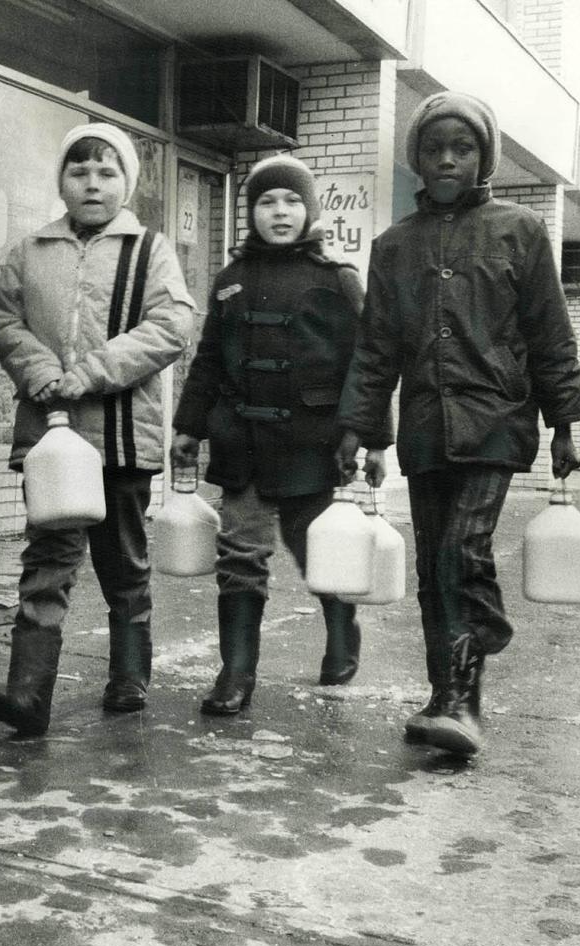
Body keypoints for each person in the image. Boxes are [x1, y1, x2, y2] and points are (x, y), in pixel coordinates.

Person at [336, 91, 580, 757]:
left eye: (463, 147)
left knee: (461, 550)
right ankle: (450, 699)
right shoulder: (393, 247)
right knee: (430, 568)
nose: (448, 157)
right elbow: (376, 346)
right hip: (424, 426)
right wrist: (362, 430)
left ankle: (476, 662)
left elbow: (550, 334)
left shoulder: (520, 231)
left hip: (497, 420)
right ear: (415, 158)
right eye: (434, 146)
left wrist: (564, 421)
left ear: (483, 159)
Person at [0, 122, 196, 737]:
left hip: (122, 435)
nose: (92, 184)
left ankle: (129, 677)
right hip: (52, 440)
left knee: (123, 563)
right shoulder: (30, 251)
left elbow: (172, 325)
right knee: (48, 558)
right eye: (80, 172)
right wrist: (42, 371)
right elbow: (5, 318)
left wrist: (91, 374)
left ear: (126, 184)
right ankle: (28, 693)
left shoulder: (148, 250)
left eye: (107, 173)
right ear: (63, 182)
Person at [171, 155, 388, 715]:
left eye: (292, 201)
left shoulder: (337, 281)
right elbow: (209, 360)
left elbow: (369, 363)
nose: (280, 211)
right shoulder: (230, 281)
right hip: (240, 442)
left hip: (311, 445)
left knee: (315, 549)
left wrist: (370, 440)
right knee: (240, 553)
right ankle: (237, 672)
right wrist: (189, 428)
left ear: (311, 211)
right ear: (251, 214)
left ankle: (342, 629)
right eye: (267, 202)